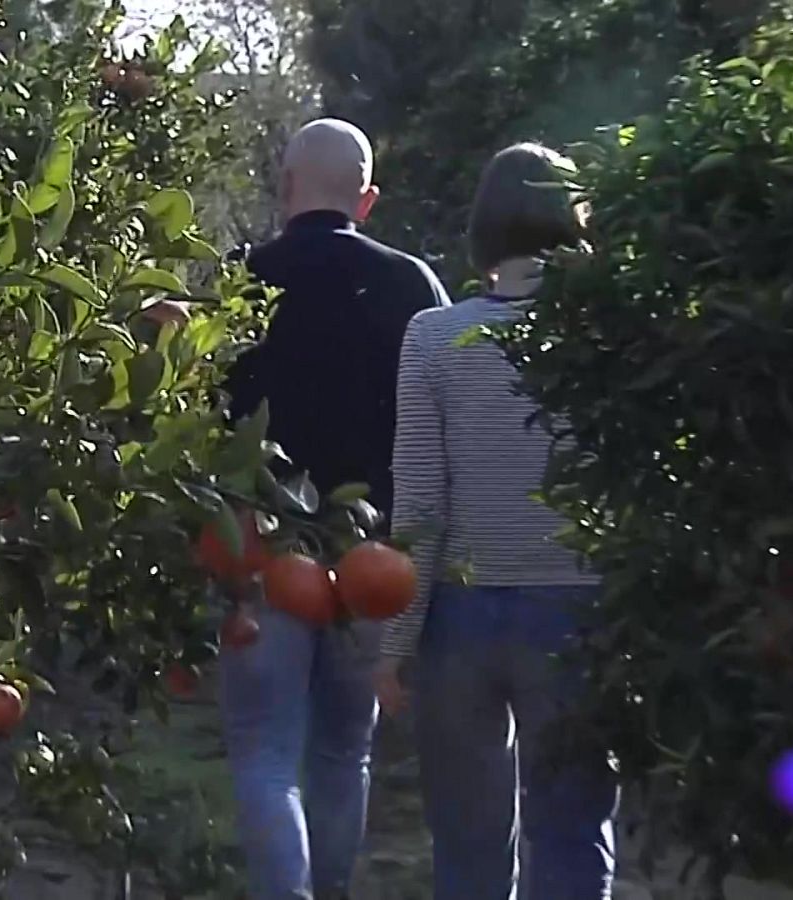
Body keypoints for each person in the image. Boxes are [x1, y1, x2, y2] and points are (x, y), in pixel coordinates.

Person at [375, 142, 620, 899]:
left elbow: (418, 502)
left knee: (468, 845)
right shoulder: (609, 334)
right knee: (573, 833)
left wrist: (396, 640)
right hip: (578, 609)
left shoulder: (432, 337)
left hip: (461, 616)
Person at [219, 118, 450, 900]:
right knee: (343, 750)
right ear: (368, 198)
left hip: (261, 550)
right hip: (371, 559)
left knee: (263, 748)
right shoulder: (412, 286)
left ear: (285, 189)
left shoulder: (237, 279)